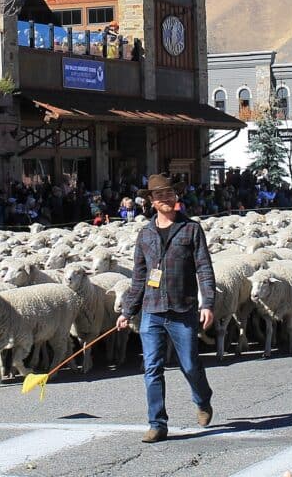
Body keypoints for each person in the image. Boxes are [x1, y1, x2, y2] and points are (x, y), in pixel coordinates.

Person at [117, 173, 216, 443]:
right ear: (151, 201)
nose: (166, 198)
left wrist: (207, 303)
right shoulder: (145, 234)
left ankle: (202, 399)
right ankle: (157, 423)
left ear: (176, 197)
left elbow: (204, 268)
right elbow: (139, 277)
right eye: (159, 195)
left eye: (169, 194)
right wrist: (127, 311)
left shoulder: (191, 229)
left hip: (182, 309)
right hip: (151, 309)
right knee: (152, 367)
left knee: (189, 365)